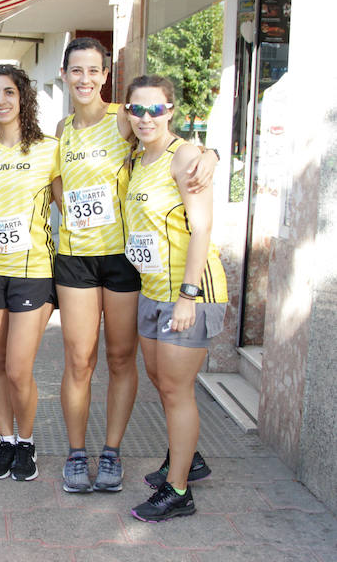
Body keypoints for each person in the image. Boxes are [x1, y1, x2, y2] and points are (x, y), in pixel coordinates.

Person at [53, 37, 218, 493]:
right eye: (76, 70)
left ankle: (111, 453)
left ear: (106, 76)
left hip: (123, 260)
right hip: (75, 259)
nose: (85, 78)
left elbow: (171, 140)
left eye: (94, 70)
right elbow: (57, 186)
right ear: (64, 75)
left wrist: (209, 155)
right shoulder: (61, 129)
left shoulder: (125, 119)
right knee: (78, 359)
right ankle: (74, 453)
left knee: (121, 357)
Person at [122, 75, 227, 522]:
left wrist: (188, 296)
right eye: (137, 109)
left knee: (177, 388)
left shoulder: (182, 155)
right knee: (161, 382)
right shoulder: (137, 158)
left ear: (172, 111)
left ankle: (179, 490)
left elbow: (202, 226)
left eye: (156, 109)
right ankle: (189, 459)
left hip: (188, 292)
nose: (146, 118)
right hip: (151, 289)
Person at [0, 64, 57, 482]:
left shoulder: (49, 149)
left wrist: (207, 153)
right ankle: (6, 441)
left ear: (23, 97)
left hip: (32, 271)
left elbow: (70, 202)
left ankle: (27, 441)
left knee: (20, 368)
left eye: (8, 92)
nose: (1, 101)